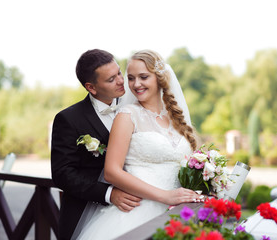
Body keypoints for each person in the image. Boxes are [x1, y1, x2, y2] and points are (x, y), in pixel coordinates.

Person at [76, 50, 204, 240]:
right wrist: (165, 196)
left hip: (178, 211)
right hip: (139, 211)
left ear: (159, 78)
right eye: (131, 78)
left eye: (143, 77)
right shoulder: (127, 115)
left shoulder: (176, 117)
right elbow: (112, 171)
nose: (136, 84)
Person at [51, 49, 142, 240]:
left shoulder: (139, 107)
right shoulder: (69, 119)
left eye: (119, 72)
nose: (120, 80)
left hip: (138, 209)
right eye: (111, 79)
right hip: (87, 215)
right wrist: (109, 194)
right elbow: (63, 174)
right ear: (91, 87)